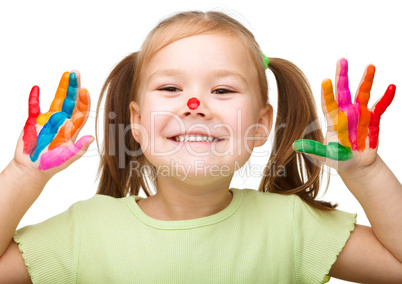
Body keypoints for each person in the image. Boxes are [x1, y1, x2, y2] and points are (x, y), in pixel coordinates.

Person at [0, 10, 401, 283]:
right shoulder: (82, 231)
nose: (195, 106)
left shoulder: (293, 227)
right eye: (171, 88)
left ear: (261, 126)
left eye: (222, 89)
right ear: (137, 121)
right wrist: (22, 176)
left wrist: (366, 172)